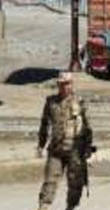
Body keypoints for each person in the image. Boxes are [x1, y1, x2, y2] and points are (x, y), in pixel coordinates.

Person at [36, 72, 93, 210]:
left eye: (67, 84)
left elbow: (88, 127)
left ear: (71, 84)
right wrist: (41, 144)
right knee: (49, 181)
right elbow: (44, 124)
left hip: (75, 150)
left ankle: (71, 207)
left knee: (75, 183)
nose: (64, 87)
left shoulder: (80, 102)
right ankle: (43, 206)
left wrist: (88, 148)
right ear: (58, 85)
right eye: (61, 84)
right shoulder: (51, 102)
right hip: (56, 150)